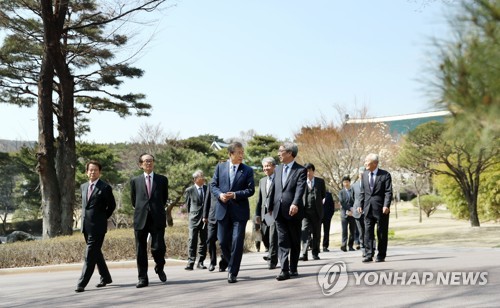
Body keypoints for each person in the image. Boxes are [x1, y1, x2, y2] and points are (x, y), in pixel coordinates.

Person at [210, 142, 255, 283]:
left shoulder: (247, 170)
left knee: (237, 241)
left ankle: (233, 271)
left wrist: (235, 194)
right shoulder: (220, 167)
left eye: (243, 152)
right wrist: (220, 195)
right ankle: (231, 263)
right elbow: (213, 185)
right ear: (230, 154)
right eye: (239, 152)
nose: (242, 155)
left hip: (239, 212)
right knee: (223, 242)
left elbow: (251, 190)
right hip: (223, 210)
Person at [75, 160, 116, 293]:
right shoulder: (83, 186)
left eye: (95, 170)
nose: (93, 172)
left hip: (98, 226)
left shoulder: (105, 187)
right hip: (86, 226)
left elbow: (112, 206)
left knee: (90, 254)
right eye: (90, 170)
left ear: (100, 172)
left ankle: (82, 283)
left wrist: (102, 218)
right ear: (87, 172)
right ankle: (106, 277)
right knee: (96, 252)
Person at [268, 142, 307, 281]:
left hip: (293, 211)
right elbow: (273, 187)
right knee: (282, 240)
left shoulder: (300, 170)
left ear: (290, 153)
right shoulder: (277, 169)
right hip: (279, 210)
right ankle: (284, 270)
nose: (278, 153)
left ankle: (293, 267)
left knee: (295, 241)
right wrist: (270, 205)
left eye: (281, 151)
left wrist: (295, 203)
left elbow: (300, 189)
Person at [130, 153, 169, 288]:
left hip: (157, 218)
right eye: (146, 161)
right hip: (141, 218)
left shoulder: (162, 180)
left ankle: (159, 267)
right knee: (140, 250)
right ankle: (142, 278)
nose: (148, 163)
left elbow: (164, 199)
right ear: (141, 164)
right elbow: (134, 201)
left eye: (151, 161)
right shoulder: (135, 181)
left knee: (158, 248)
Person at [358, 153, 393, 263]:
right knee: (368, 232)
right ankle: (369, 254)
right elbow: (362, 192)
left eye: (367, 161)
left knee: (381, 232)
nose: (365, 163)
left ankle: (381, 255)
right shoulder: (364, 174)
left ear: (374, 163)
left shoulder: (385, 175)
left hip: (381, 209)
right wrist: (360, 204)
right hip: (368, 208)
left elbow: (388, 192)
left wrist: (386, 205)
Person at [255, 157, 278, 270]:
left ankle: (272, 260)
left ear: (274, 166)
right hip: (264, 213)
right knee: (264, 235)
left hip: (275, 212)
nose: (266, 168)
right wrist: (257, 215)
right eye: (264, 166)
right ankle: (271, 252)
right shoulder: (262, 181)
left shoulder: (279, 179)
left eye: (268, 166)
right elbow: (259, 200)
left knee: (273, 236)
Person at [299, 163, 325, 261]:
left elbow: (323, 195)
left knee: (316, 233)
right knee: (304, 232)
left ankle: (315, 253)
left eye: (310, 170)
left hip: (317, 212)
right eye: (306, 171)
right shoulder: (301, 181)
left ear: (313, 171)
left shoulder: (320, 181)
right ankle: (304, 253)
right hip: (305, 212)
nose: (308, 173)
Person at [184, 170, 208, 270]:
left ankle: (201, 262)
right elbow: (188, 206)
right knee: (192, 240)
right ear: (195, 179)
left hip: (205, 219)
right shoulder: (189, 190)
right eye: (200, 176)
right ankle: (191, 262)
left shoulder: (208, 189)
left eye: (203, 176)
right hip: (193, 219)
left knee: (203, 241)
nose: (203, 178)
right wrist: (192, 216)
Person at [202, 181, 221, 272]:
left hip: (224, 217)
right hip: (212, 217)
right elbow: (207, 199)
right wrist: (205, 215)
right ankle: (212, 262)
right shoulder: (211, 184)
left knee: (224, 242)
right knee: (210, 239)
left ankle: (224, 262)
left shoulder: (229, 181)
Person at [339, 175, 356, 252]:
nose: (346, 183)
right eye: (344, 182)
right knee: (344, 230)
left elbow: (356, 200)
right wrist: (349, 209)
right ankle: (344, 245)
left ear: (349, 182)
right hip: (344, 214)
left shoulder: (353, 190)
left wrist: (353, 210)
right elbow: (342, 202)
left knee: (352, 230)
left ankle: (351, 246)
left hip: (353, 213)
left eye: (347, 182)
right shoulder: (341, 192)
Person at [352, 167, 366, 252]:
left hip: (367, 210)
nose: (362, 176)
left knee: (368, 230)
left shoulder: (369, 184)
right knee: (361, 231)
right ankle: (363, 247)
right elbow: (353, 198)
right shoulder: (354, 185)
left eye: (364, 174)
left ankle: (371, 246)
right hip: (357, 211)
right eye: (361, 174)